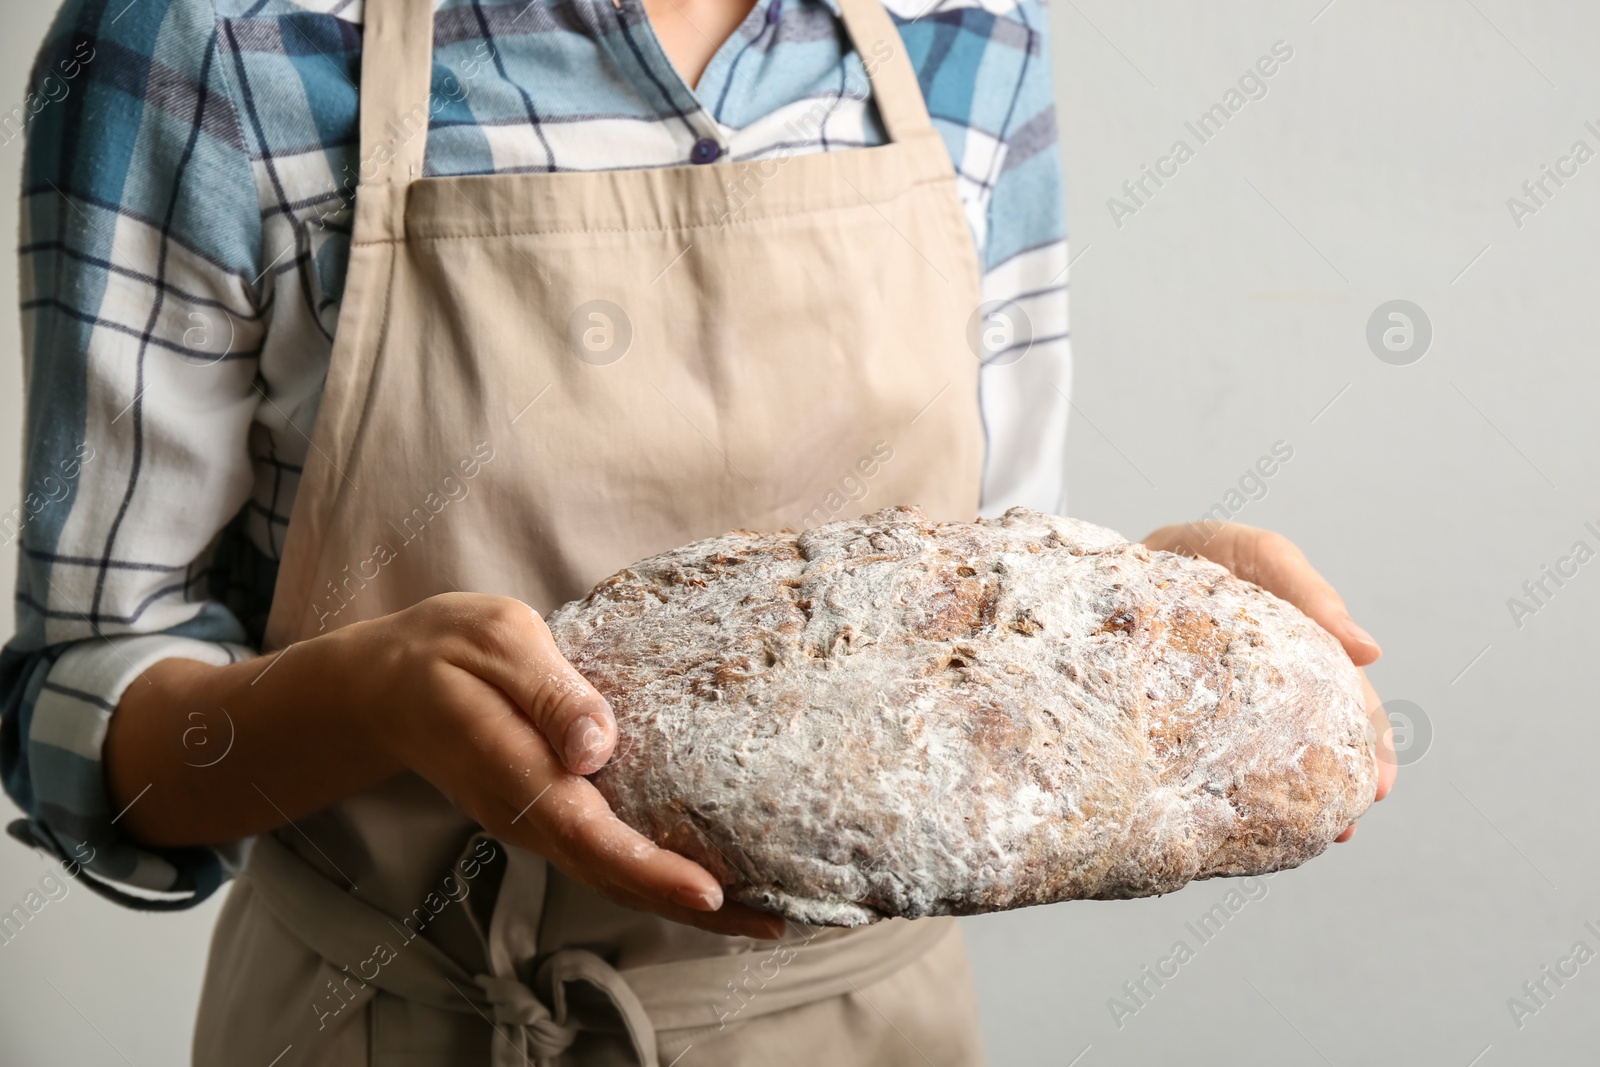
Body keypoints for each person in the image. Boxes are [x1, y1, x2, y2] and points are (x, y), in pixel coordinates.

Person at [2, 0, 1394, 1062]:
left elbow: (970, 586)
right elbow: (84, 733)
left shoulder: (963, 31)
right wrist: (362, 702)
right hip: (401, 1024)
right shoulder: (213, 41)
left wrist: (1149, 615)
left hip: (862, 1033)